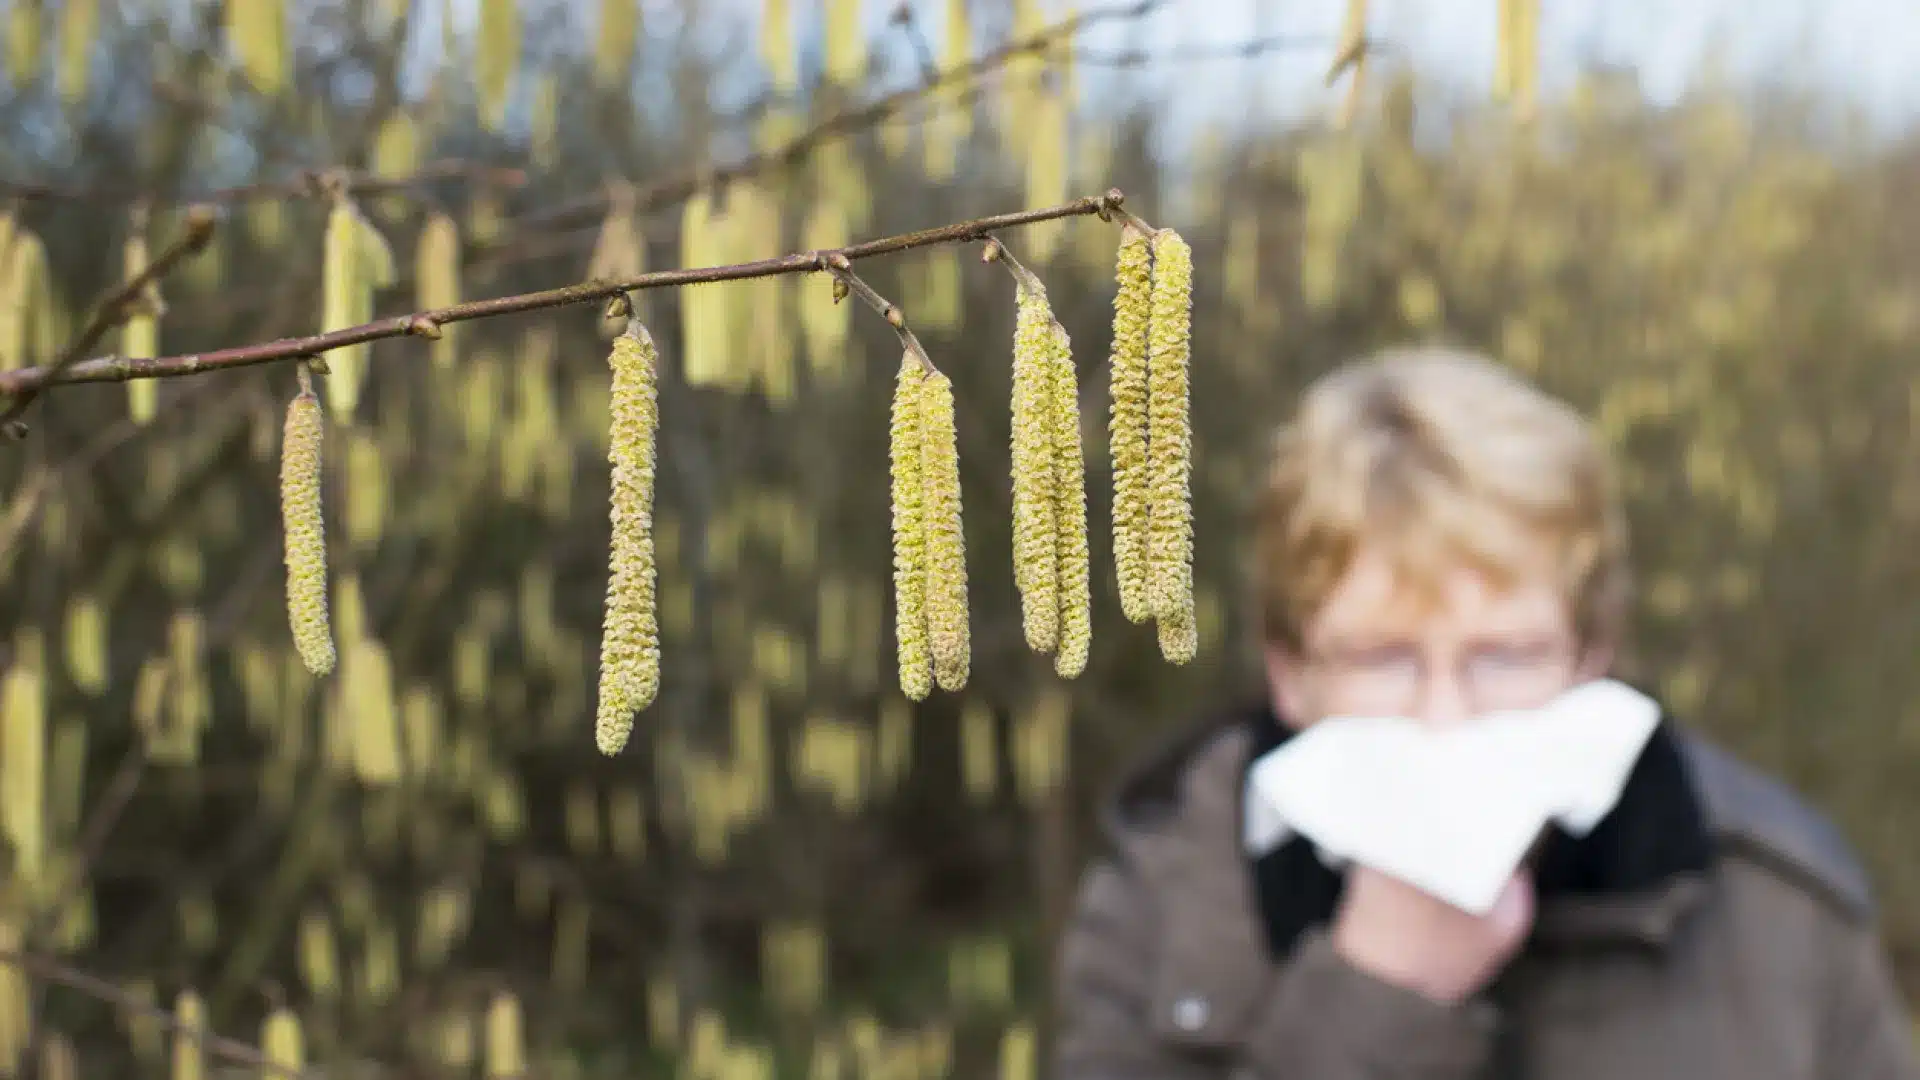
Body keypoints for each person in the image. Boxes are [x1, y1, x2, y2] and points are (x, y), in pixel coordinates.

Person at [1051, 347, 1918, 1079]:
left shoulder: (1776, 903)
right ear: (1291, 672)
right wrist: (1374, 999)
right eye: (1384, 659)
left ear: (1591, 655)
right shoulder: (1167, 901)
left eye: (1503, 657)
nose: (1445, 720)